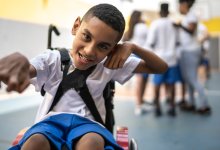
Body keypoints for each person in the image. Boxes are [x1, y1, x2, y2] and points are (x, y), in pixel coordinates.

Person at [0, 3, 168, 150]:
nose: (89, 50)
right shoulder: (52, 59)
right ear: (76, 26)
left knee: (92, 143)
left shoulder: (110, 65)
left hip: (90, 126)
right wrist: (21, 65)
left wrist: (132, 47)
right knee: (35, 142)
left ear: (113, 50)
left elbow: (161, 67)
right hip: (50, 123)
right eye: (86, 37)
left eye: (103, 46)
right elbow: (29, 69)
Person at [174, 0, 211, 114]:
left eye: (179, 5)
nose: (178, 8)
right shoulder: (186, 17)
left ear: (184, 4)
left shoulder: (191, 16)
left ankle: (204, 105)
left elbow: (191, 30)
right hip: (186, 51)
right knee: (188, 79)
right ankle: (191, 103)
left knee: (192, 79)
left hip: (191, 51)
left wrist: (180, 26)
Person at [146, 3, 179, 117]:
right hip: (172, 58)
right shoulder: (174, 24)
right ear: (168, 12)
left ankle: (157, 107)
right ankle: (172, 107)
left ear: (159, 12)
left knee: (157, 84)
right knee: (171, 84)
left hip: (159, 58)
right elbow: (178, 41)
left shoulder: (155, 24)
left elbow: (150, 42)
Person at [122, 10, 149, 115]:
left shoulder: (130, 29)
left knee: (140, 81)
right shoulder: (142, 27)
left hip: (133, 55)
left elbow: (124, 41)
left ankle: (140, 103)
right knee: (141, 80)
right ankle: (139, 104)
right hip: (142, 55)